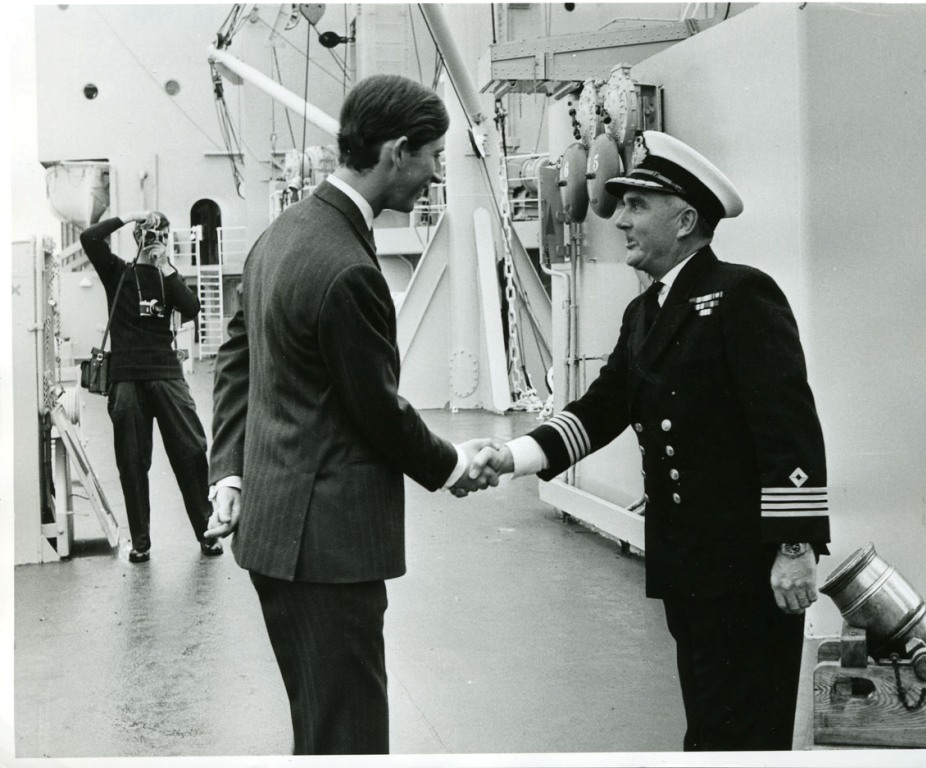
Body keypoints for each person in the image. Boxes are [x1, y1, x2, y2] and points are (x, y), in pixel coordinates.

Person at [472, 131, 830, 751]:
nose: (621, 222)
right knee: (710, 726)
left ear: (686, 218)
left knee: (745, 732)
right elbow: (600, 410)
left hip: (747, 567)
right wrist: (514, 457)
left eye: (638, 206)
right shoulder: (646, 314)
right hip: (686, 566)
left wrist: (795, 547)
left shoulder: (743, 295)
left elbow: (789, 428)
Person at [206, 74, 498, 756]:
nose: (434, 173)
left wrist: (229, 472)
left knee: (322, 722)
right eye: (432, 156)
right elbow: (376, 410)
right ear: (397, 151)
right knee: (350, 736)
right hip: (328, 551)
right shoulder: (347, 266)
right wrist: (453, 463)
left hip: (276, 535)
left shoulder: (281, 235)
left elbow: (236, 358)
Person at [80, 211, 221, 563]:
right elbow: (89, 238)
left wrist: (168, 265)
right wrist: (129, 218)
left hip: (166, 373)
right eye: (150, 233)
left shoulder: (167, 276)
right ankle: (140, 542)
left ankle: (206, 533)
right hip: (126, 377)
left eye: (160, 233)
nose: (154, 238)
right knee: (131, 461)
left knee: (190, 450)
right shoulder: (117, 272)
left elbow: (191, 308)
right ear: (139, 236)